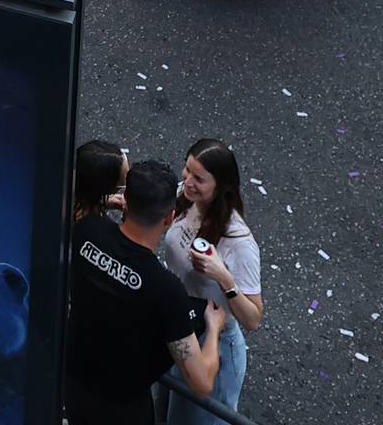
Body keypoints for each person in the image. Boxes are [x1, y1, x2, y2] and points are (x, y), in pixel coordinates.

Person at [64, 157, 223, 425]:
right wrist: (215, 327)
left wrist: (103, 202)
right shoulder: (166, 291)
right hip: (122, 410)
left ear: (124, 198)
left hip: (73, 385)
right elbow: (202, 382)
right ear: (170, 217)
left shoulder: (87, 231)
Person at [165, 138, 260, 421]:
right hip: (179, 326)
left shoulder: (240, 243)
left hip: (212, 342)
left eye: (199, 178)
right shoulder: (186, 197)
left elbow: (253, 318)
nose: (188, 181)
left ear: (221, 187)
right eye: (187, 170)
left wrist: (224, 278)